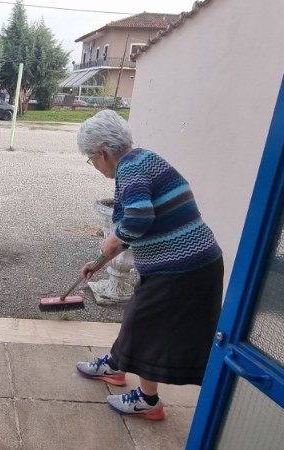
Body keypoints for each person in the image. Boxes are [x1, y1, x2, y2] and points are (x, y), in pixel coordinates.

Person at [74, 110, 223, 421]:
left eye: (91, 159)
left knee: (142, 324)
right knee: (138, 320)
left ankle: (147, 400)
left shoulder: (130, 168)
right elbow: (137, 226)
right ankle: (116, 366)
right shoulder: (143, 159)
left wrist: (111, 241)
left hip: (183, 269)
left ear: (102, 153)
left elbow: (138, 219)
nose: (94, 166)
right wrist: (99, 261)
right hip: (192, 263)